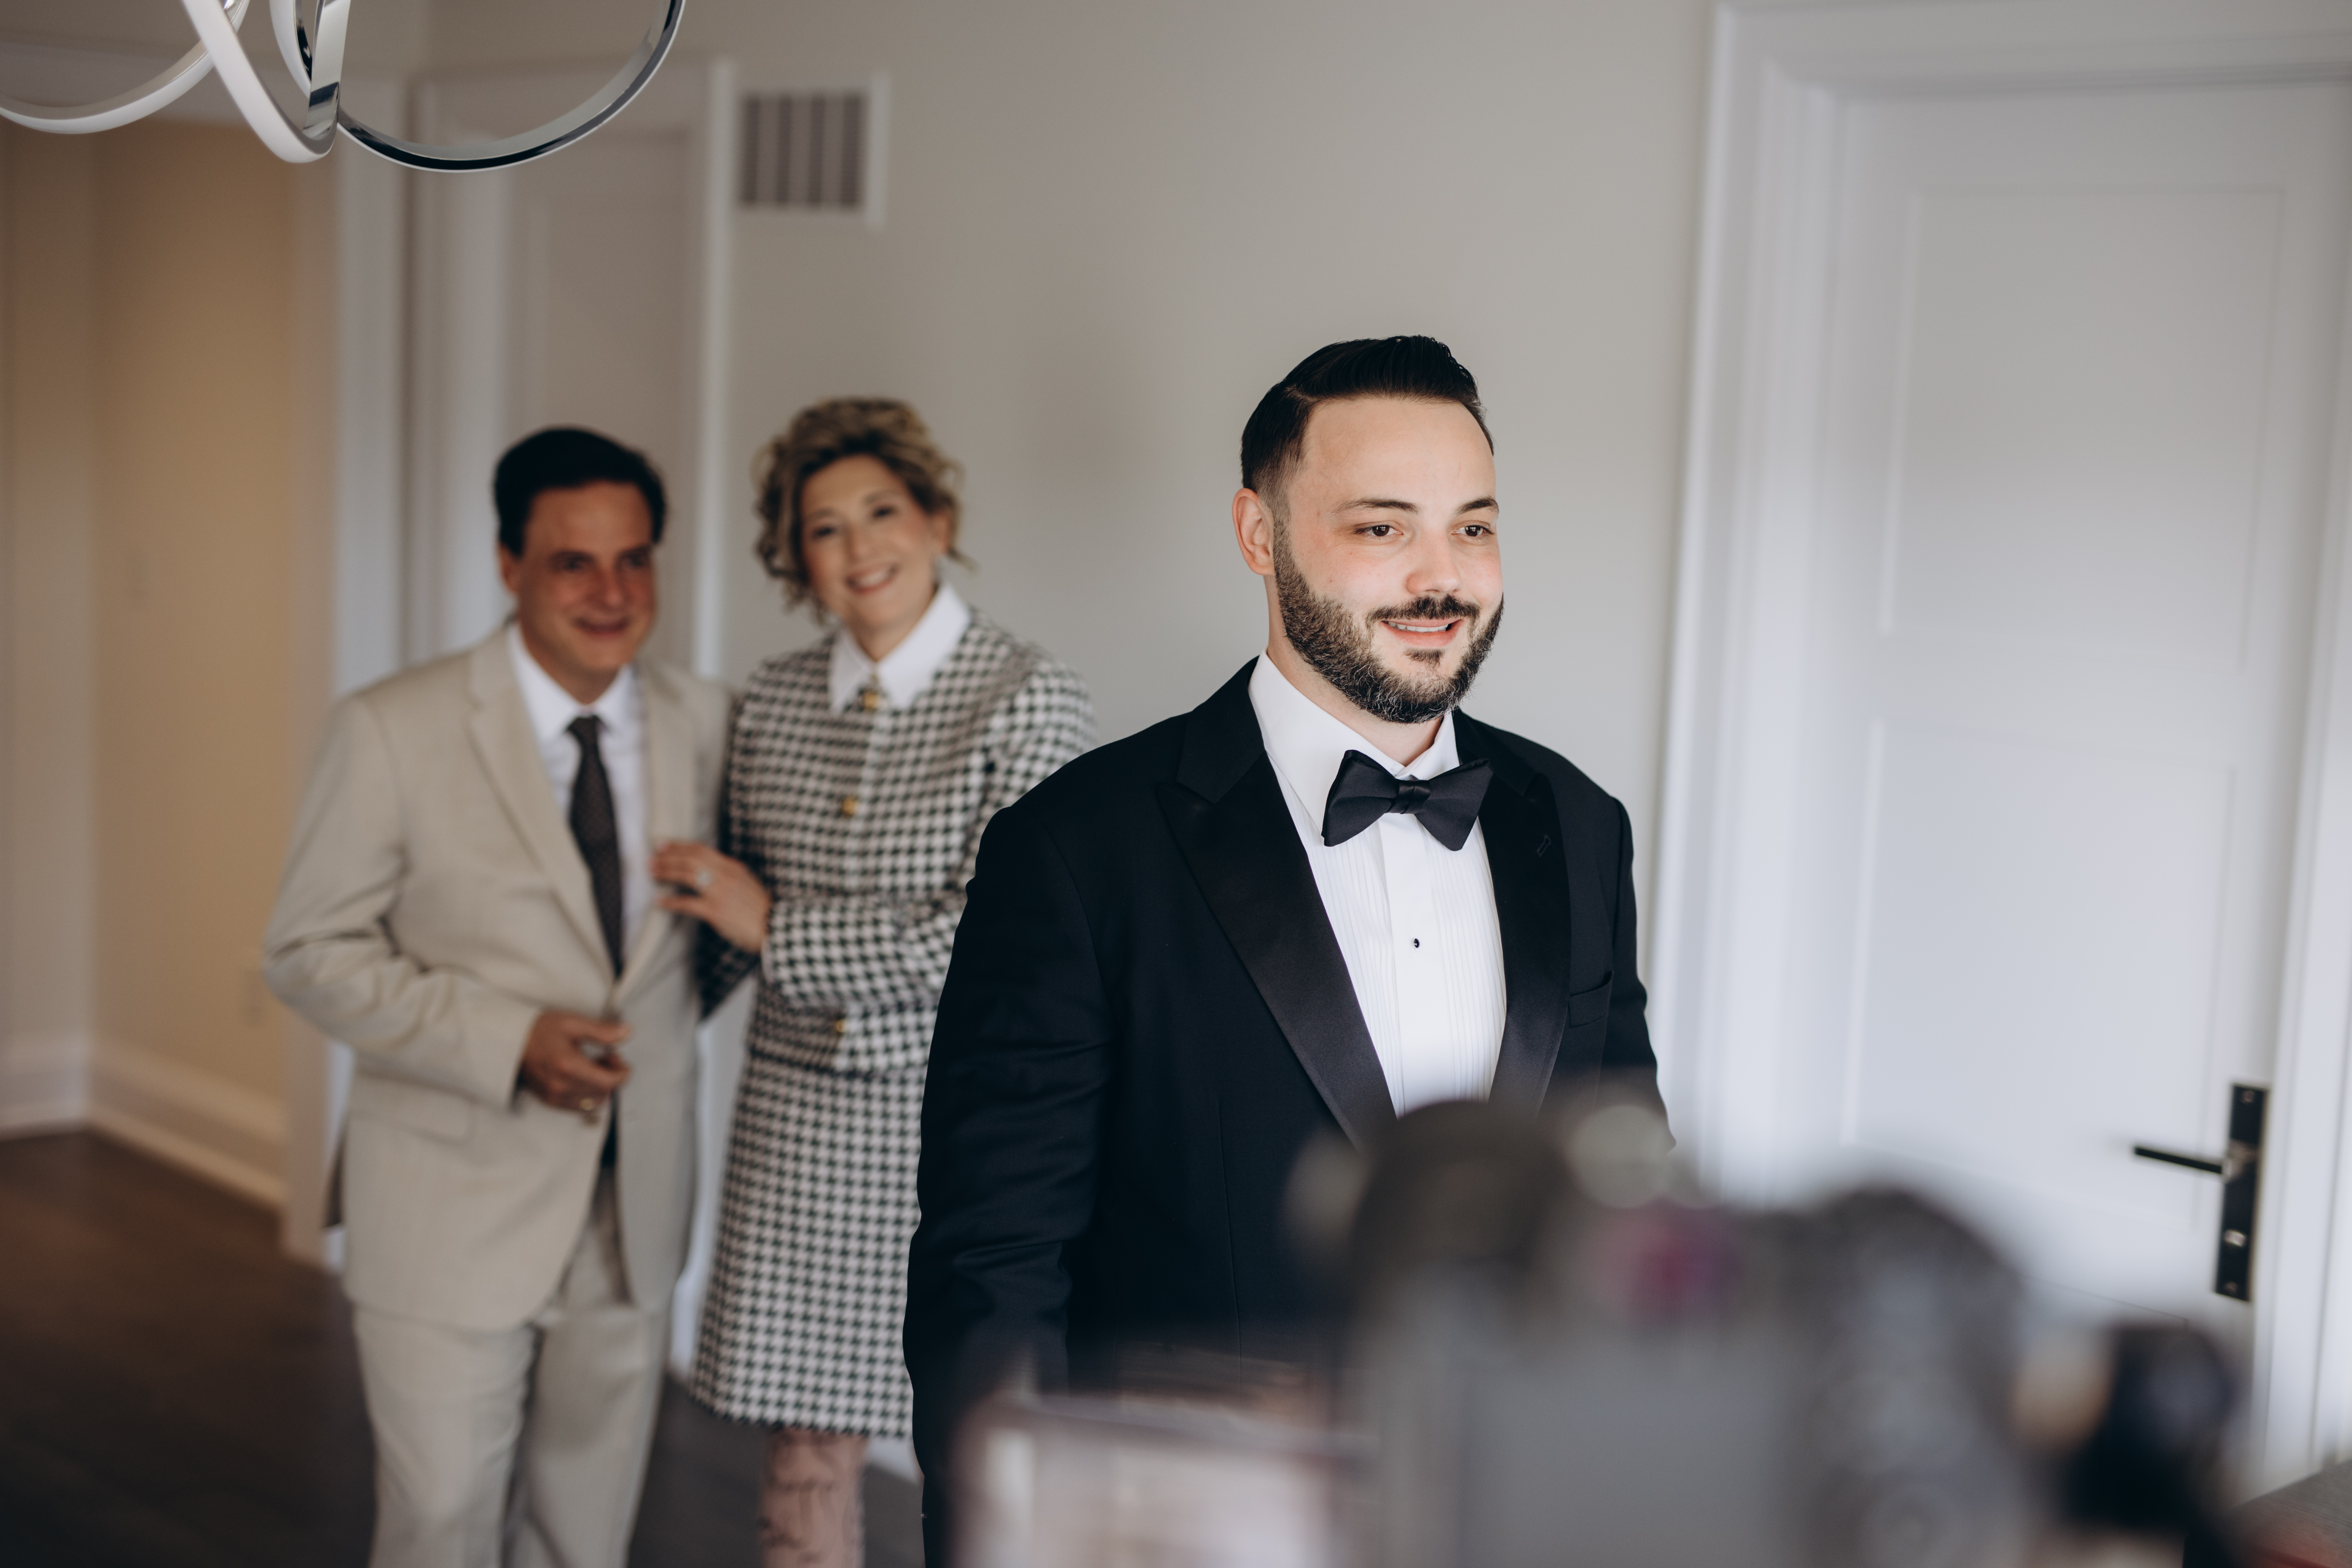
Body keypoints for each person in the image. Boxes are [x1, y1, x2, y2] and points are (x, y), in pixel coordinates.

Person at [905, 336, 1667, 1553]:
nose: (1442, 576)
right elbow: (995, 1269)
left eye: (1473, 528)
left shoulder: (1578, 823)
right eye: (1382, 528)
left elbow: (1620, 1185)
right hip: (1196, 1525)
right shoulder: (1077, 849)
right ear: (1260, 535)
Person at [263, 428, 734, 1568]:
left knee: (585, 1536)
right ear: (509, 563)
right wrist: (509, 1037)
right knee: (440, 1527)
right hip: (447, 1204)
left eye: (634, 560)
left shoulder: (712, 723)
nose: (611, 593)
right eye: (574, 563)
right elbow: (310, 949)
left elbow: (710, 947)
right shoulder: (391, 727)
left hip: (632, 1207)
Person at [652, 398, 1094, 1568]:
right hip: (795, 1135)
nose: (859, 548)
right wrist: (631, 1029)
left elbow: (1000, 942)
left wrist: (778, 927)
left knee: (981, 1447)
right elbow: (721, 923)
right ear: (796, 561)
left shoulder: (1029, 697)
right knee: (805, 1451)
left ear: (937, 519)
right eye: (824, 529)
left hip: (963, 1128)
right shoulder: (773, 700)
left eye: (882, 512)